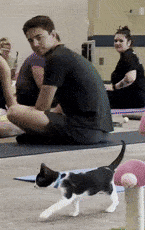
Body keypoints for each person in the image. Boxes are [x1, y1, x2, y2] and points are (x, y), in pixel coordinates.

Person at [7, 15, 113, 145]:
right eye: (30, 40)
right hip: (100, 131)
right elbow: (60, 106)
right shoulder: (66, 54)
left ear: (53, 34)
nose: (35, 44)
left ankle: (42, 137)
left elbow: (42, 106)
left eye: (39, 37)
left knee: (13, 111)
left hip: (86, 131)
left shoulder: (55, 58)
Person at [105, 26, 145, 109]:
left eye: (121, 41)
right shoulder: (128, 55)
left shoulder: (128, 56)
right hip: (137, 97)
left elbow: (130, 78)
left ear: (128, 43)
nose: (117, 43)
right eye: (115, 41)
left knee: (98, 95)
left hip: (134, 98)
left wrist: (114, 87)